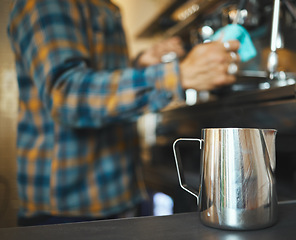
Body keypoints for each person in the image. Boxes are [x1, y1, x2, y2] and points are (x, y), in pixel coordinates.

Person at [7, 0, 240, 226]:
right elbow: (67, 96)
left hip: (119, 192)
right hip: (70, 207)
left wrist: (139, 65)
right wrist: (178, 75)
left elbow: (97, 79)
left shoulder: (106, 6)